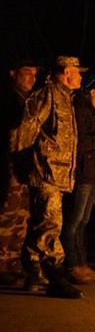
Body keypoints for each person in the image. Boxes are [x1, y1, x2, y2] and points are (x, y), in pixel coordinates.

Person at [22, 55, 88, 299]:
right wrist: (24, 163)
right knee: (51, 224)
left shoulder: (66, 98)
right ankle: (55, 277)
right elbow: (27, 129)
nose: (81, 76)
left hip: (58, 173)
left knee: (41, 223)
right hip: (46, 171)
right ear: (66, 72)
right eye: (77, 71)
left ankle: (34, 273)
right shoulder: (48, 94)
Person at [61, 78, 95, 284]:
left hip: (92, 173)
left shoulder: (88, 112)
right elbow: (80, 142)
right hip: (83, 174)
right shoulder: (80, 110)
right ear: (92, 92)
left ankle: (81, 264)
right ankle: (72, 265)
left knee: (83, 221)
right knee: (74, 221)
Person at [0, 59, 40, 286]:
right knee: (7, 214)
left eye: (34, 74)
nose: (31, 78)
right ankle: (2, 263)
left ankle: (13, 261)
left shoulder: (29, 101)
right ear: (13, 73)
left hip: (26, 167)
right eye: (26, 73)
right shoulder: (8, 100)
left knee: (23, 216)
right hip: (9, 165)